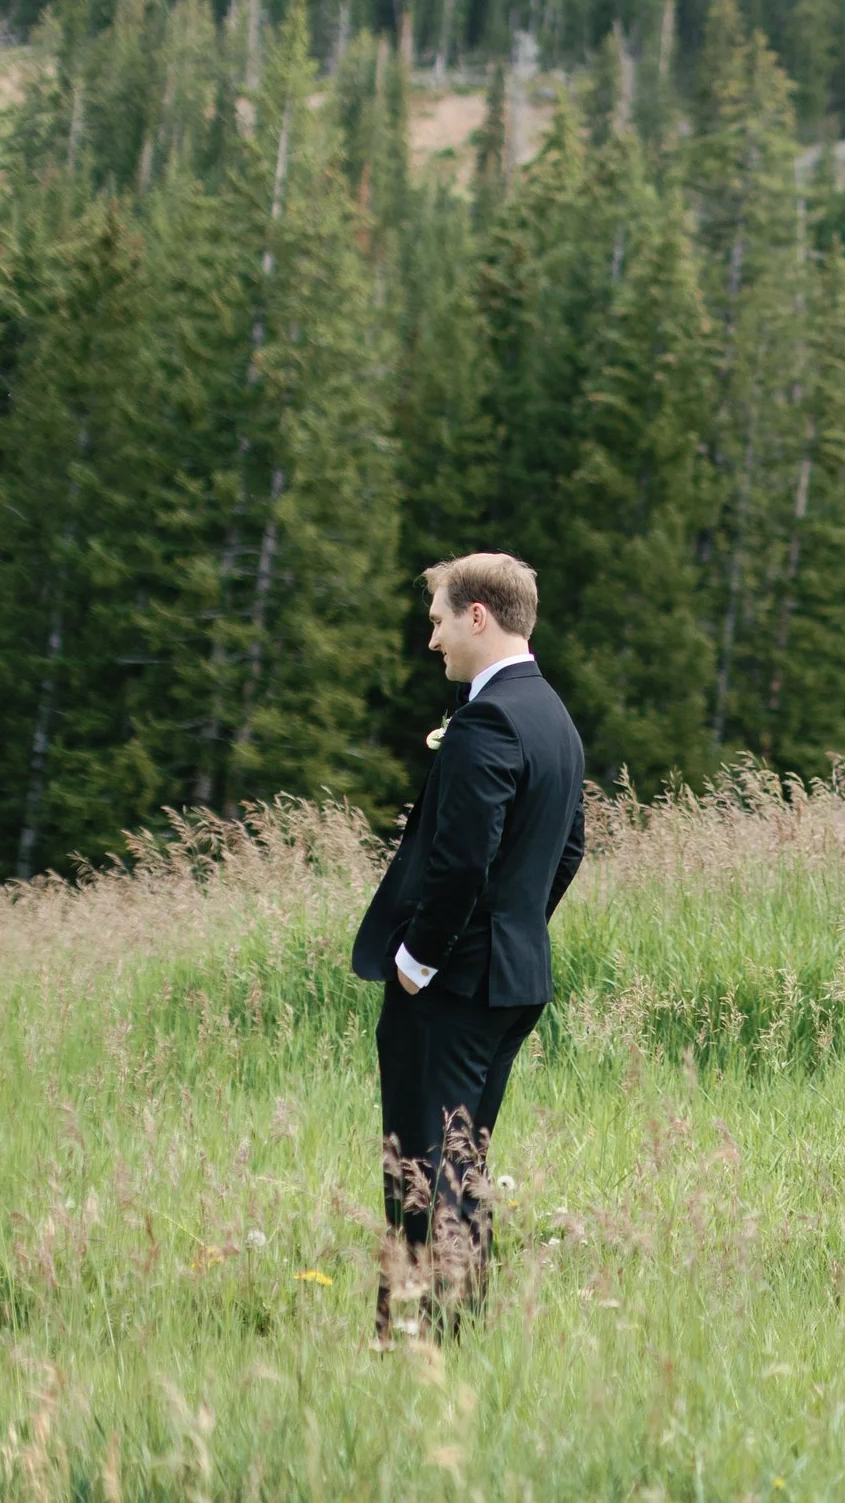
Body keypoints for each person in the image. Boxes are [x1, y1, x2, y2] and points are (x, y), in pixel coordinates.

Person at [351, 553, 585, 1339]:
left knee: (421, 1167)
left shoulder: (488, 719)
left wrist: (420, 959)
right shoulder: (552, 713)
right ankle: (455, 1334)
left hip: (453, 987)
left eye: (439, 621)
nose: (433, 640)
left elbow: (461, 861)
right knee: (463, 1163)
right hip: (510, 980)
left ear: (477, 615)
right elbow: (570, 848)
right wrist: (516, 928)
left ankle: (412, 1343)